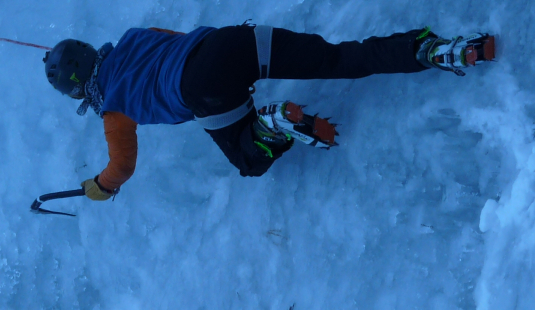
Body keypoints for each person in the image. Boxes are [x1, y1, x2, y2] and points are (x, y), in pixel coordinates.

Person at [42, 23, 495, 201]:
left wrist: (100, 187)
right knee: (340, 58)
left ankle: (272, 123)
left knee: (247, 158)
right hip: (229, 42)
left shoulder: (114, 114)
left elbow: (123, 164)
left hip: (200, 88)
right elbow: (177, 39)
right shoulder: (134, 35)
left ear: (76, 91)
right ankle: (439, 50)